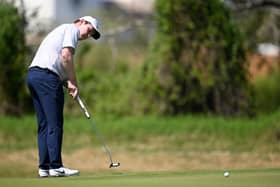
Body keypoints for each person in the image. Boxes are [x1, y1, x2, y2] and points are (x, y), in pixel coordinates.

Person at [26, 16, 101, 177]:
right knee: (55, 123)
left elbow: (58, 60)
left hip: (34, 76)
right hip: (46, 77)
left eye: (91, 34)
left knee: (44, 125)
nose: (88, 35)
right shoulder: (71, 29)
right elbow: (66, 56)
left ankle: (44, 168)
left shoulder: (62, 30)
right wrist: (73, 81)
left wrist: (66, 81)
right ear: (82, 22)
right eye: (89, 30)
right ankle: (56, 166)